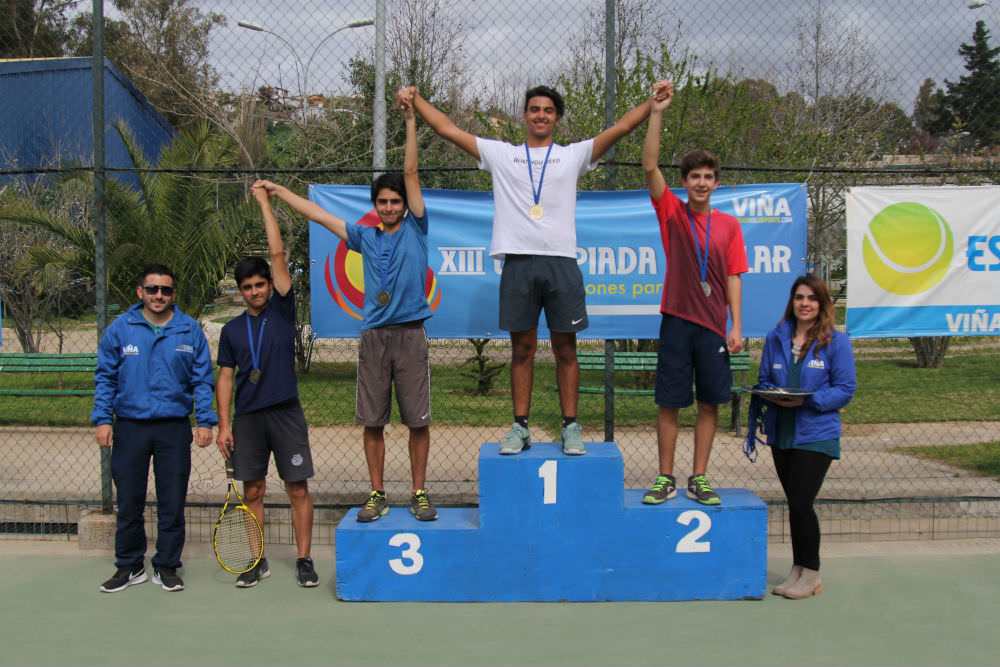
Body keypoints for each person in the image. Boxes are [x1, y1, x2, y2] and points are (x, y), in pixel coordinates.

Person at [403, 81, 670, 456]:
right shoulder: (501, 154)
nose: (541, 115)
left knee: (566, 349)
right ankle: (521, 426)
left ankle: (570, 427)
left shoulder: (573, 155)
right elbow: (448, 129)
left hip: (561, 262)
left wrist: (651, 104)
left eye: (548, 110)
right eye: (534, 109)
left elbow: (621, 127)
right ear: (524, 115)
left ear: (557, 117)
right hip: (517, 261)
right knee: (522, 349)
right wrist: (416, 101)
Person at [253, 91, 437, 525]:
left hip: (411, 334)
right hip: (374, 337)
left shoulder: (416, 227)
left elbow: (410, 170)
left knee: (417, 421)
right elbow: (317, 215)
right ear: (374, 207)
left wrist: (411, 121)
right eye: (383, 202)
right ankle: (377, 493)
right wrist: (280, 193)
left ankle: (420, 493)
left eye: (395, 201)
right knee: (372, 422)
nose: (390, 207)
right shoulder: (364, 236)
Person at [640, 80, 749, 506]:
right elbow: (650, 166)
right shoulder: (671, 213)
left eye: (708, 177)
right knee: (669, 402)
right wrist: (657, 113)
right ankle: (665, 476)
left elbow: (736, 276)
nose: (701, 183)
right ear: (684, 181)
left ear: (716, 183)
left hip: (713, 328)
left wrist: (736, 325)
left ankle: (698, 477)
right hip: (676, 320)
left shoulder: (729, 226)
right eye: (694, 177)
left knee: (709, 403)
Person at [215, 191, 319, 588]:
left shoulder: (281, 308)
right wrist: (225, 425)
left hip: (286, 412)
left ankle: (305, 559)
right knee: (253, 489)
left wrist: (263, 204)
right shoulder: (231, 331)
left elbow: (277, 255)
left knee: (297, 488)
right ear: (240, 290)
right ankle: (256, 560)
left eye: (260, 284)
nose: (257, 291)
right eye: (249, 287)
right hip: (249, 419)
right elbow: (225, 377)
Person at [93, 265, 216, 593]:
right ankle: (130, 566)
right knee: (130, 501)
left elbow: (203, 380)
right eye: (152, 289)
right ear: (140, 292)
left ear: (173, 294)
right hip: (129, 428)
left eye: (165, 290)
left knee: (172, 501)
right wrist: (103, 419)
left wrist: (205, 420)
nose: (159, 296)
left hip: (173, 429)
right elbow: (105, 376)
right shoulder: (121, 329)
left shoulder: (189, 331)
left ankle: (166, 566)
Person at [757, 275, 856, 599]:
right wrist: (770, 394)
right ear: (792, 301)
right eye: (799, 297)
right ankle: (798, 569)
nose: (804, 303)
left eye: (812, 298)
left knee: (802, 502)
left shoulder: (836, 342)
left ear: (822, 303)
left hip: (816, 434)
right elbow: (764, 379)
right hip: (782, 432)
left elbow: (844, 389)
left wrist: (809, 400)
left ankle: (811, 572)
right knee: (794, 504)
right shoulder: (776, 336)